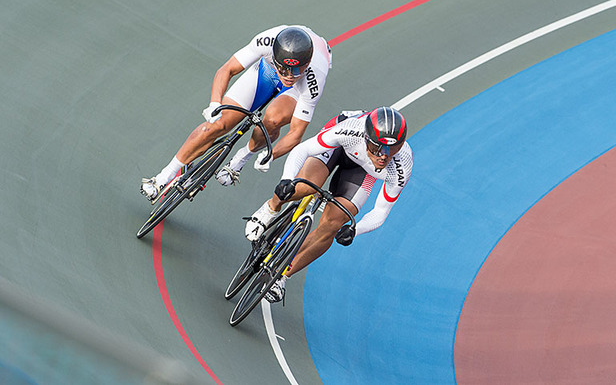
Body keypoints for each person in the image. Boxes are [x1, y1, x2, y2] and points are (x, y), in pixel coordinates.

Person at [141, 25, 332, 202]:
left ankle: (241, 158)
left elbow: (295, 133)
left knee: (273, 119)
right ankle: (162, 177)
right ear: (274, 56)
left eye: (297, 70)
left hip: (297, 91)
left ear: (307, 65)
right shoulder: (265, 42)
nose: (290, 76)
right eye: (284, 69)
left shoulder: (313, 79)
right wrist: (214, 104)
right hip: (267, 71)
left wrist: (270, 155)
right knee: (218, 125)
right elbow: (227, 69)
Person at [244, 107, 413, 303]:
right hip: (337, 147)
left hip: (362, 173)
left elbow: (381, 212)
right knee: (306, 185)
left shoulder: (402, 164)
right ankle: (270, 209)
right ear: (367, 139)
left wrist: (354, 230)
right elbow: (304, 149)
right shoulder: (351, 129)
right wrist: (286, 179)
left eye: (392, 149)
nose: (384, 156)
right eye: (378, 148)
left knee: (333, 225)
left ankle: (281, 276)